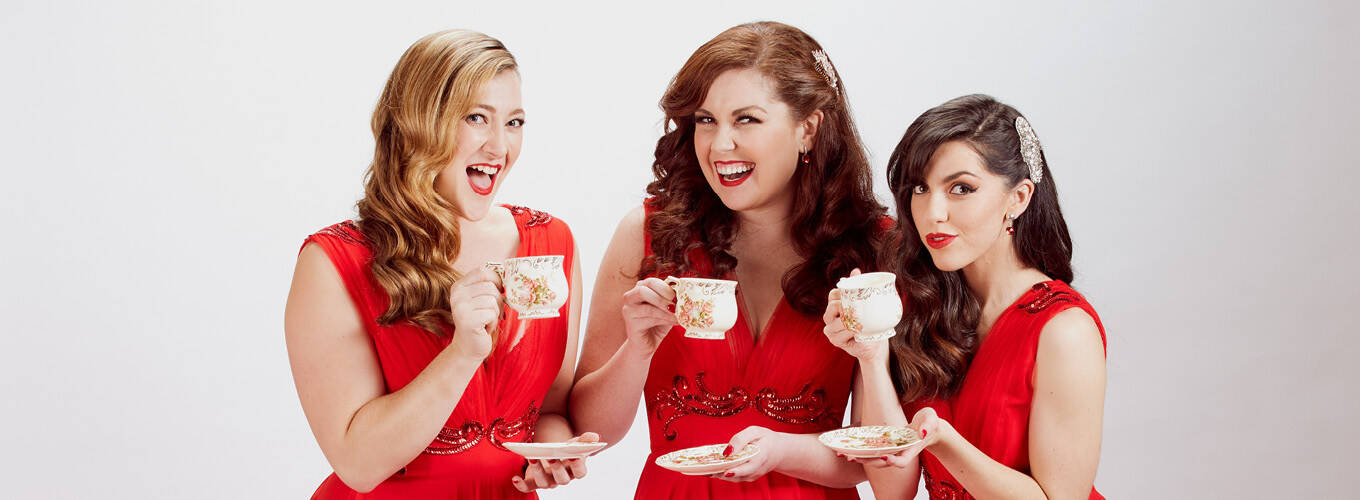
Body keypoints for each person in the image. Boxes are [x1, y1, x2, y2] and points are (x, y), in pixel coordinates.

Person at [570, 21, 891, 499]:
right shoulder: (646, 234)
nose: (720, 145)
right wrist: (637, 348)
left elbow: (872, 456)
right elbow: (592, 432)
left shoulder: (875, 249)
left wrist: (780, 450)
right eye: (705, 120)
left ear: (809, 128)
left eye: (747, 119)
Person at [284, 29, 591, 498]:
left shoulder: (551, 244)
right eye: (476, 118)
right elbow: (358, 465)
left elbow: (549, 410)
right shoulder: (333, 263)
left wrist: (556, 452)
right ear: (416, 122)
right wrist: (462, 352)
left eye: (514, 123)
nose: (499, 148)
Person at [824, 94, 1107, 499]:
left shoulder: (1064, 330)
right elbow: (893, 491)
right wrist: (871, 357)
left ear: (1019, 198)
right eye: (920, 187)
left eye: (961, 188)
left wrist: (943, 442)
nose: (932, 212)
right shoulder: (920, 305)